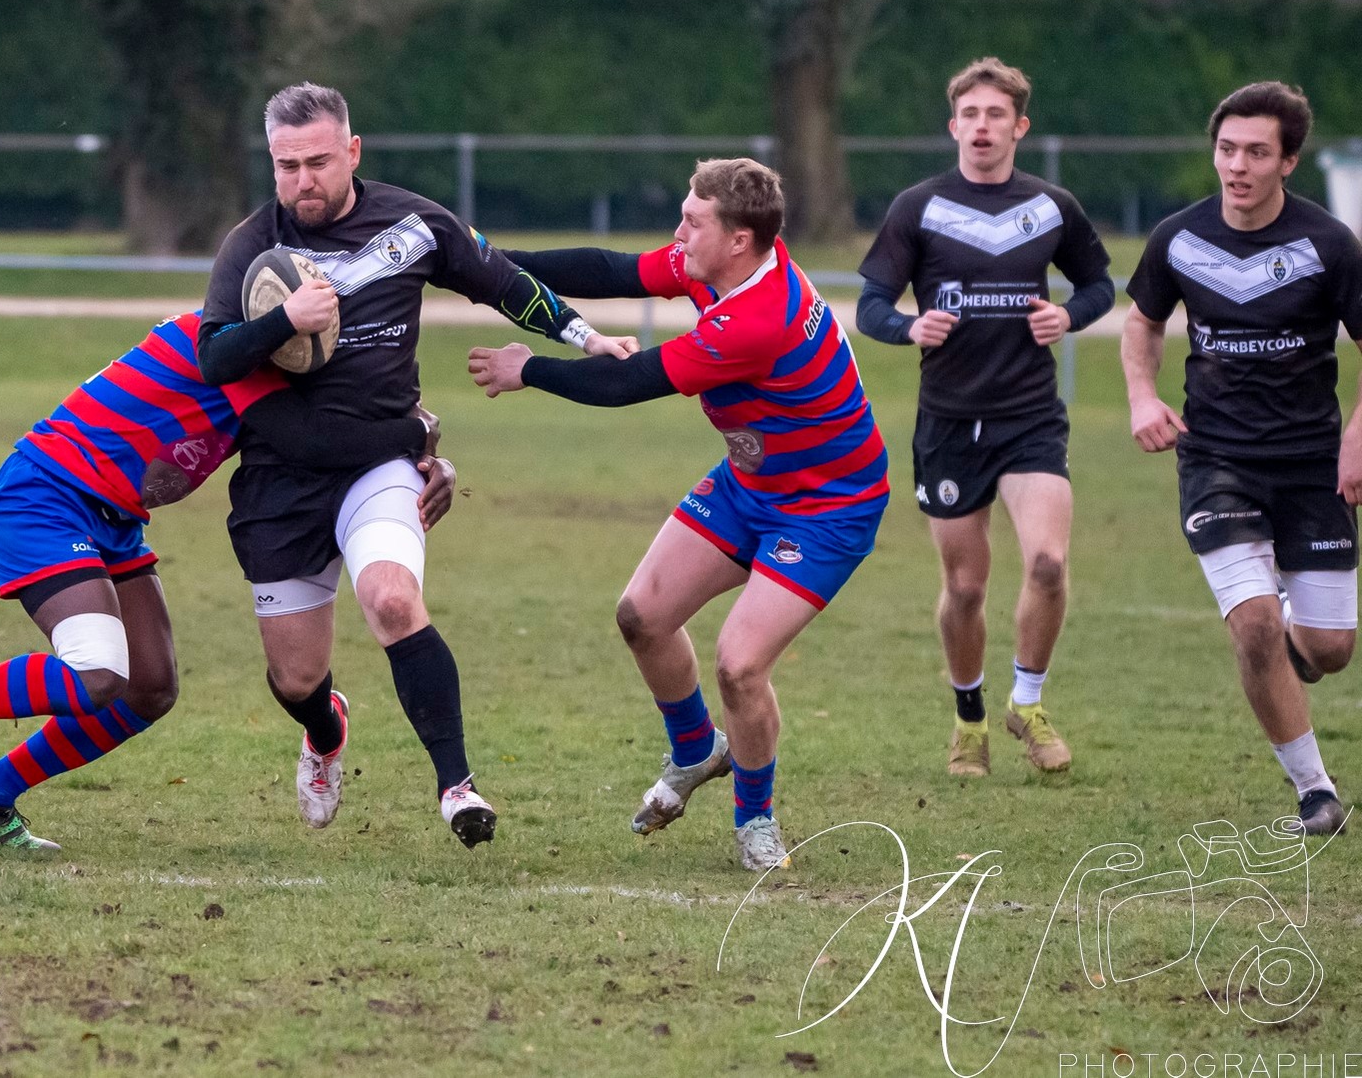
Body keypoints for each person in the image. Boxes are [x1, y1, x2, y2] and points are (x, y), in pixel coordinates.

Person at [197, 82, 632, 847]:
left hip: (382, 463)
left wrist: (584, 335)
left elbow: (499, 278)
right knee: (296, 679)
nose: (304, 180)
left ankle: (457, 788)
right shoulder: (251, 247)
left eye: (319, 162)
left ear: (353, 152)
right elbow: (213, 358)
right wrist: (281, 321)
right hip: (281, 478)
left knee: (394, 601)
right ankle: (325, 732)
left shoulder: (413, 223)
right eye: (287, 164)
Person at [0, 310, 456, 852]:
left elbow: (349, 419)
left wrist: (424, 455)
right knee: (96, 674)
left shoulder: (266, 358)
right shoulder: (224, 345)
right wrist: (413, 437)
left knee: (149, 687)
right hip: (45, 498)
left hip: (112, 519)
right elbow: (314, 439)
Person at [469, 158, 888, 871]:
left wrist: (526, 369)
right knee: (642, 615)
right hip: (750, 484)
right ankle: (697, 749)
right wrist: (488, 264)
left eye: (692, 222)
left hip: (827, 506)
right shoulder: (722, 262)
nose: (677, 232)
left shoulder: (759, 317)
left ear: (739, 240)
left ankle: (755, 818)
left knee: (739, 666)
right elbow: (611, 269)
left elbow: (630, 382)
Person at [856, 58, 1115, 778]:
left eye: (995, 114)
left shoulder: (1053, 206)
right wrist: (908, 327)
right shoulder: (919, 206)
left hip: (1030, 414)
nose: (981, 126)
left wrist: (1071, 313)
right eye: (970, 114)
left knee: (1048, 561)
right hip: (949, 420)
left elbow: (1099, 283)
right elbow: (871, 303)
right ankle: (969, 718)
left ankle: (1026, 703)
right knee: (966, 586)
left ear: (1019, 126)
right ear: (953, 126)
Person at [1121, 81, 1358, 837]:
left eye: (1257, 152)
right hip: (1216, 458)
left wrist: (1359, 432)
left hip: (1312, 463)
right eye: (1228, 149)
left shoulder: (1328, 245)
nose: (1238, 165)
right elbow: (1143, 323)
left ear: (1288, 160)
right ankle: (1316, 792)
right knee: (1253, 622)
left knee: (1329, 648)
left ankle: (1295, 641)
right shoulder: (1178, 239)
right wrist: (1141, 396)